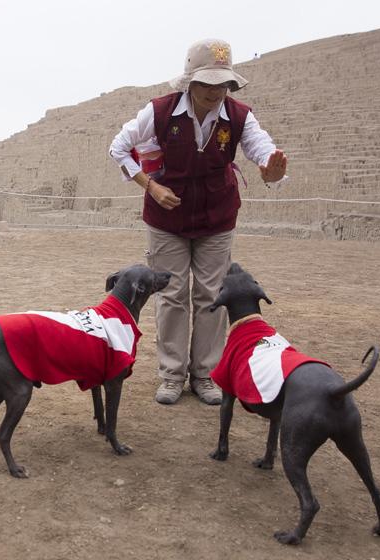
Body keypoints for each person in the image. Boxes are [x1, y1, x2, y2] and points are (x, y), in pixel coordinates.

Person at [108, 38, 288, 406]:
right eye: (208, 83)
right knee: (172, 295)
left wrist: (271, 171)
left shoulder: (239, 116)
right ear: (190, 82)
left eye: (223, 83)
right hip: (166, 218)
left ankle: (206, 375)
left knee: (211, 295)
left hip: (217, 219)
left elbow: (262, 151)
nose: (216, 91)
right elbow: (119, 147)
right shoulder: (159, 112)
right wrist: (151, 186)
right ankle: (172, 375)